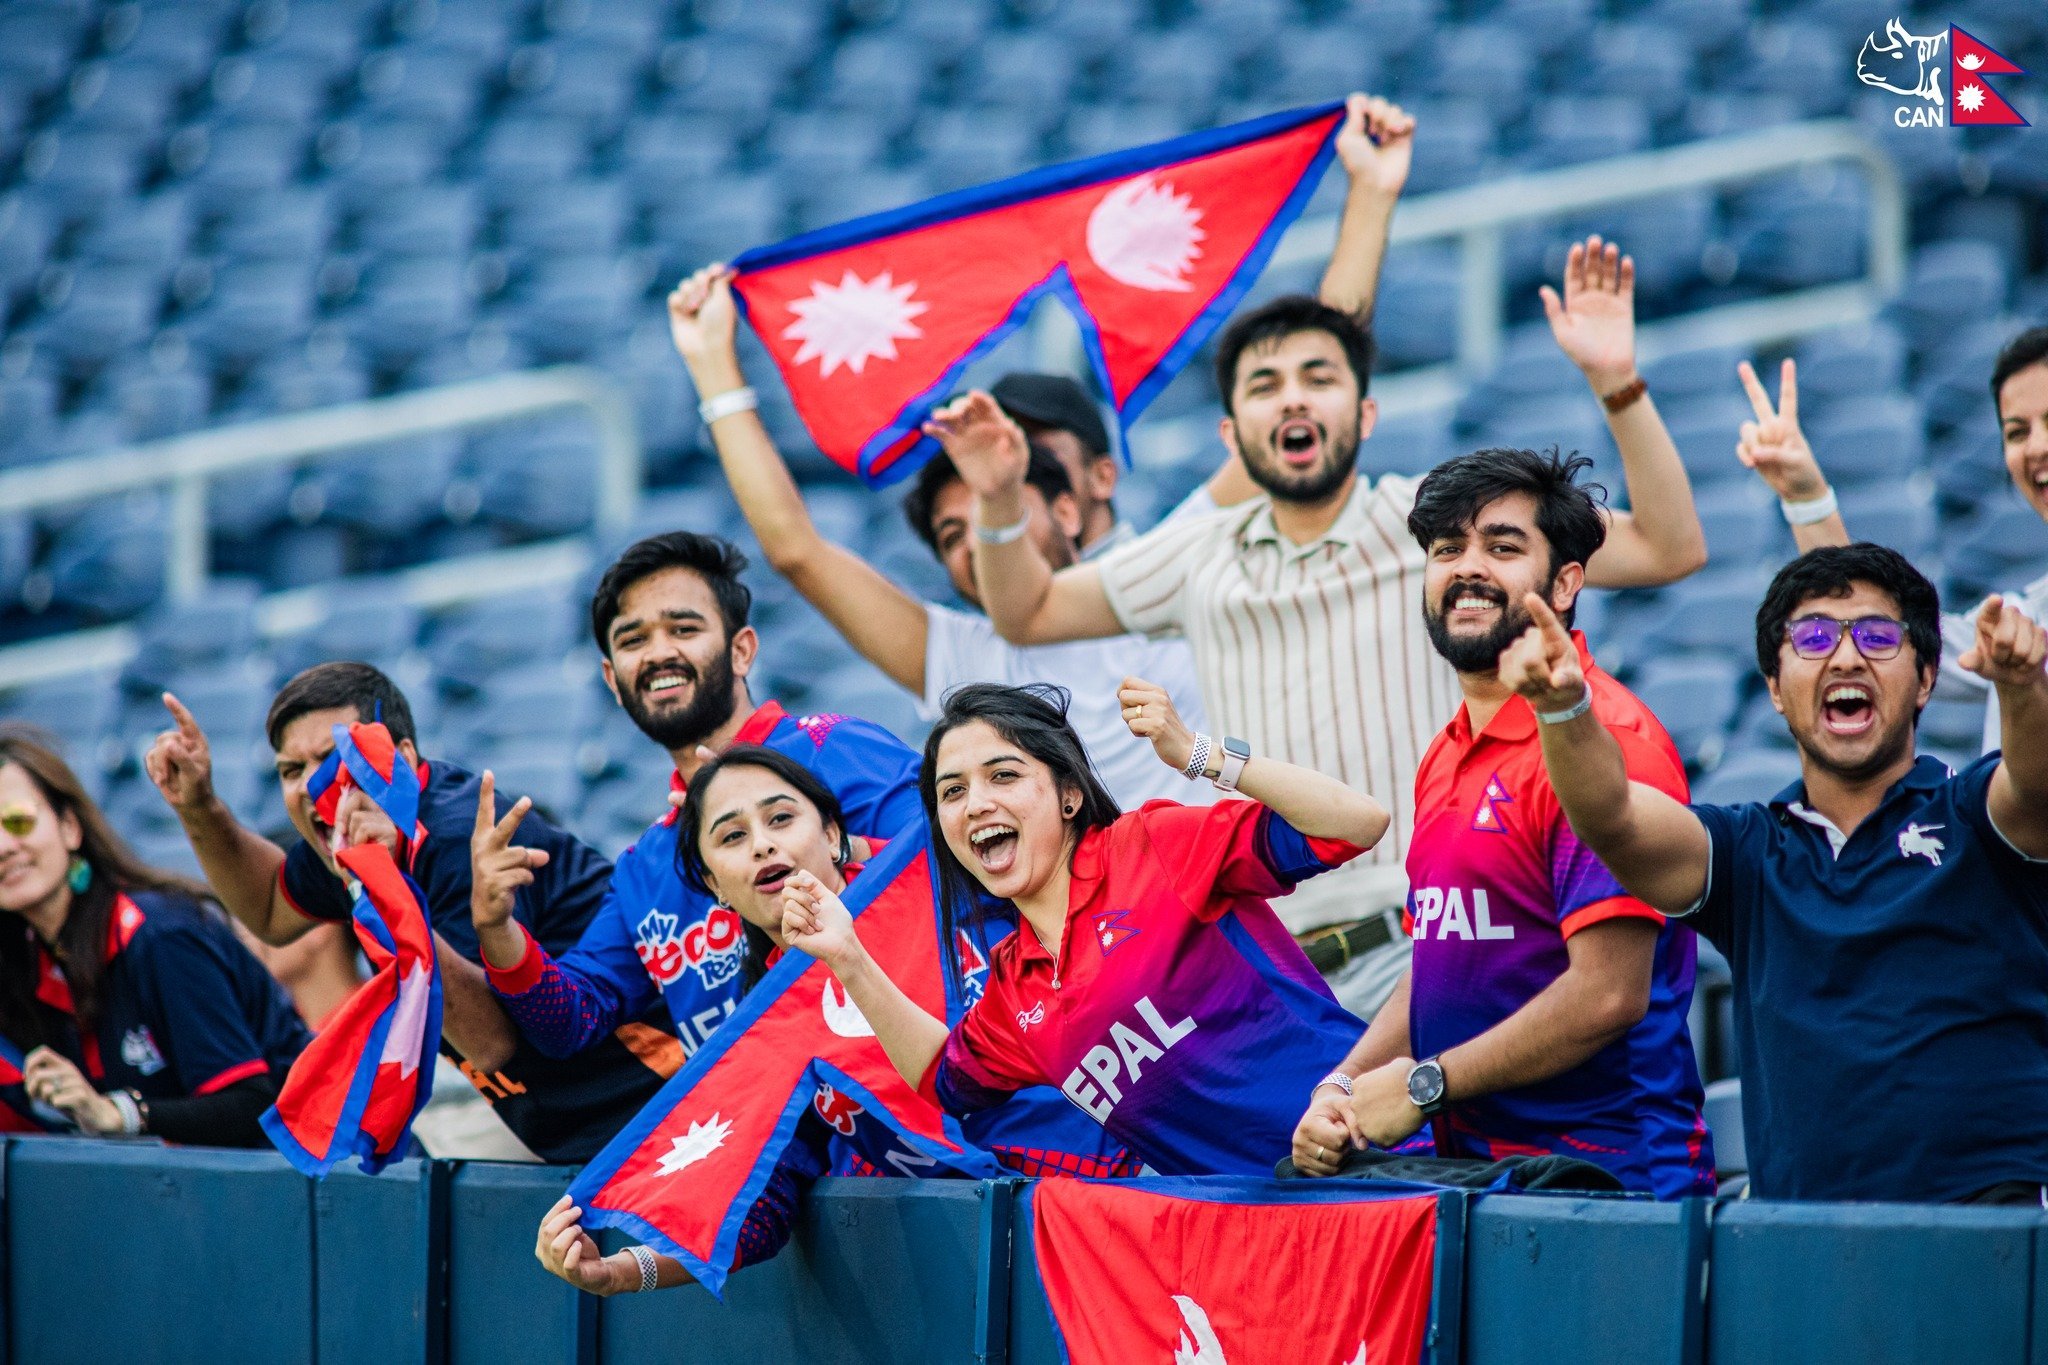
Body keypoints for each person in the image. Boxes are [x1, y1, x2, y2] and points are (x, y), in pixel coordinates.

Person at [948, 236, 1712, 1019]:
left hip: (1434, 936)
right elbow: (1025, 611)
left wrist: (1617, 383)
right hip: (1277, 974)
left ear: (1367, 411)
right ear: (1230, 435)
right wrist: (1001, 497)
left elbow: (1669, 545)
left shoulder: (1439, 526)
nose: (1293, 400)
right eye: (1265, 384)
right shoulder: (1194, 554)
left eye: (1320, 377)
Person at [479, 532, 1129, 1179]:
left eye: (683, 626)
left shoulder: (838, 751)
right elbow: (567, 1021)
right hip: (836, 1176)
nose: (660, 652)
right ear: (612, 681)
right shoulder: (649, 863)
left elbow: (978, 871)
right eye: (633, 639)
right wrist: (497, 928)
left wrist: (818, 858)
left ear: (742, 649)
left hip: (994, 1116)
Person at [1505, 543, 2048, 1202]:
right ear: (1774, 689)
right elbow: (1613, 817)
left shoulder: (1975, 814)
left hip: (1992, 1240)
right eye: (1814, 637)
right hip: (1800, 1252)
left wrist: (2022, 688)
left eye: (1877, 636)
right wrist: (1564, 707)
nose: (1846, 657)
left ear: (1926, 679)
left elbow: (2036, 789)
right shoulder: (1749, 850)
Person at [532, 745, 1137, 1297]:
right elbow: (757, 1206)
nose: (764, 845)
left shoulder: (948, 880)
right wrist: (621, 1271)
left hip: (1136, 1174)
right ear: (715, 885)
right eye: (732, 836)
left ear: (832, 834)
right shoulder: (762, 1032)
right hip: (1004, 1250)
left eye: (780, 819)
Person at [1291, 449, 1712, 1198]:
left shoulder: (1608, 742)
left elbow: (1609, 994)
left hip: (1610, 1185)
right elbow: (1441, 952)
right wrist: (1345, 1085)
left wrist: (1422, 1085)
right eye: (1447, 548)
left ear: (1567, 581)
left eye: (1502, 545)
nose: (1467, 566)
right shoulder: (1445, 752)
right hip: (1475, 1178)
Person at [780, 680, 1389, 1176]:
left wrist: (1198, 755)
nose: (975, 804)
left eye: (1004, 775)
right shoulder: (1015, 988)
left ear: (1069, 795)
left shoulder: (1151, 846)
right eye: (952, 792)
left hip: (1379, 1158)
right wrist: (849, 957)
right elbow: (944, 1079)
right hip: (1278, 1235)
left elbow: (1355, 824)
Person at [665, 266, 1211, 810]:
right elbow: (796, 550)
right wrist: (712, 365)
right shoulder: (966, 658)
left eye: (1002, 496)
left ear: (1069, 506)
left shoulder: (1182, 568)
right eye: (952, 534)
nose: (979, 539)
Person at [143, 661, 657, 1163]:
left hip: (657, 1103)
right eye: (290, 770)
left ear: (403, 757)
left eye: (332, 756)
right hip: (582, 1133)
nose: (308, 786)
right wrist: (199, 809)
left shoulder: (458, 840)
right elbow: (273, 911)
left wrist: (381, 887)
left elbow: (492, 1042)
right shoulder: (351, 829)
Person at [1736, 325, 2048, 752]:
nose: (2036, 447)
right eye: (2017, 432)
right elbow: (1892, 638)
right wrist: (1806, 497)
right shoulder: (2022, 619)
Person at [0, 726, 309, 1146]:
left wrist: (119, 1113)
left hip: (329, 1181)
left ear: (70, 827)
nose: (4, 846)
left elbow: (254, 1106)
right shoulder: (31, 963)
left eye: (18, 820)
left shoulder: (162, 935)